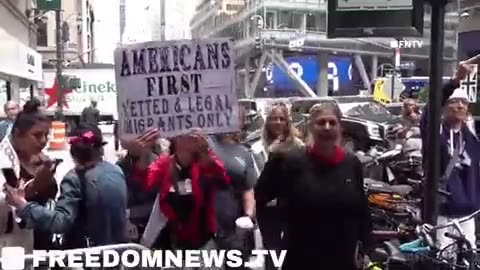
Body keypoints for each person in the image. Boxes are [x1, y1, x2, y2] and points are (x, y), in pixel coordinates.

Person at [255, 102, 371, 270]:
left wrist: (366, 248)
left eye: (332, 122)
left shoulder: (351, 163)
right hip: (301, 258)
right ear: (311, 127)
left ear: (340, 127)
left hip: (342, 259)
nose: (327, 127)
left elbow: (362, 209)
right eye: (321, 122)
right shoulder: (290, 162)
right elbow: (261, 197)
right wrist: (273, 242)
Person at [5, 124, 127, 248]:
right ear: (100, 149)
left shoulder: (75, 179)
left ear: (73, 152)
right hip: (117, 252)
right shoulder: (117, 171)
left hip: (87, 256)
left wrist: (23, 206)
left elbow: (60, 223)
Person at [124, 129, 230, 252]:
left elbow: (222, 181)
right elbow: (144, 183)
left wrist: (205, 153)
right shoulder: (165, 164)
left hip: (203, 242)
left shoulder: (205, 161)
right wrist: (142, 153)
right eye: (183, 133)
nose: (189, 135)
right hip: (173, 243)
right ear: (174, 139)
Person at [420, 61, 480, 250]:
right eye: (454, 102)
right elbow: (430, 109)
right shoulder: (435, 133)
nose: (460, 106)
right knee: (445, 259)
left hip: (468, 213)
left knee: (468, 259)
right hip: (443, 213)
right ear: (444, 108)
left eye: (464, 102)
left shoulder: (471, 136)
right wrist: (457, 79)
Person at [0, 99, 57, 252]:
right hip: (12, 247)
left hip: (42, 243)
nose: (44, 141)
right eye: (37, 135)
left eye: (46, 135)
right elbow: (7, 211)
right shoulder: (4, 163)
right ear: (18, 135)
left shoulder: (40, 157)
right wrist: (34, 188)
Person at [251, 102, 303, 270]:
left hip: (292, 206)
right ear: (267, 121)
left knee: (292, 247)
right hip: (265, 206)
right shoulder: (257, 148)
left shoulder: (299, 147)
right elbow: (256, 177)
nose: (278, 122)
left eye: (282, 119)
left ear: (288, 122)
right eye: (274, 118)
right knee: (271, 250)